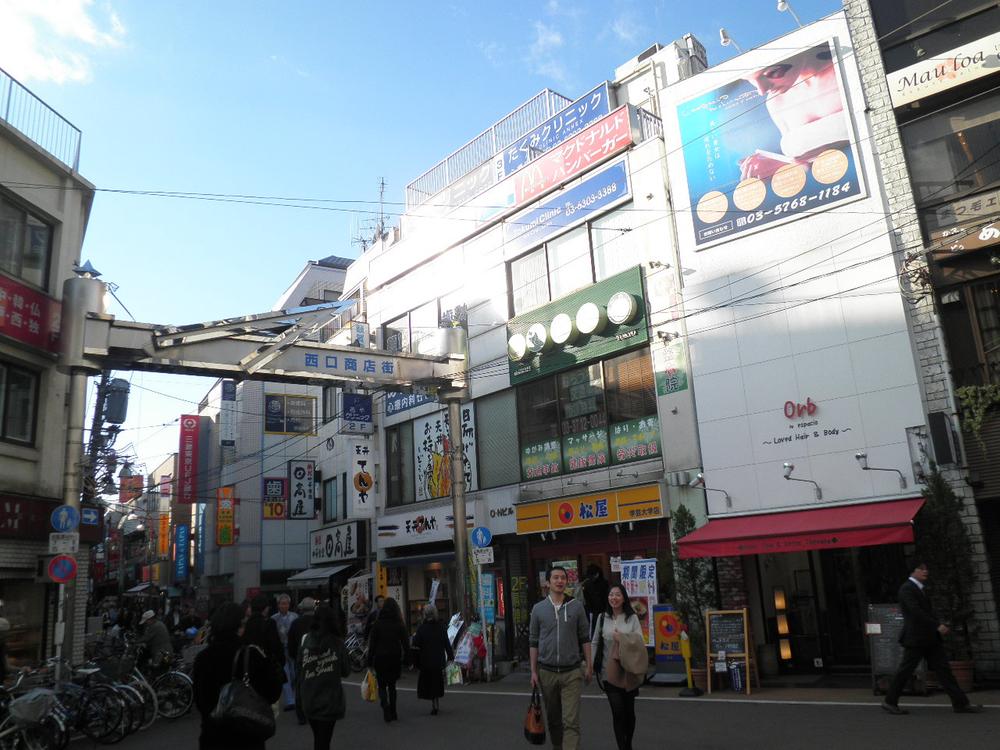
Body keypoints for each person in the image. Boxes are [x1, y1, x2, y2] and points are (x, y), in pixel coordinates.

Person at [882, 562, 983, 715]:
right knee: (906, 670)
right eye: (921, 569)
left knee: (944, 670)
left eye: (926, 569)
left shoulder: (920, 589)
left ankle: (960, 703)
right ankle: (890, 701)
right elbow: (915, 611)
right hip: (916, 638)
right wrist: (936, 625)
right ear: (912, 572)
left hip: (929, 638)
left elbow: (925, 611)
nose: (925, 571)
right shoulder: (907, 589)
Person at [738, 44, 849, 181]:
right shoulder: (776, 103)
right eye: (751, 81)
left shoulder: (845, 64)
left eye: (770, 73)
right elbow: (807, 164)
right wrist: (779, 168)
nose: (762, 90)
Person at [192, 602, 283, 750]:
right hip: (247, 736)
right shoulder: (251, 654)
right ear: (239, 626)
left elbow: (200, 700)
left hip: (213, 736)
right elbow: (272, 692)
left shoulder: (203, 658)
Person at [530, 566, 592, 750]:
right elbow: (533, 641)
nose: (559, 581)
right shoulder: (538, 609)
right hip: (546, 671)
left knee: (571, 721)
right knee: (554, 719)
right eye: (555, 578)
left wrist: (589, 664)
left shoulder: (576, 606)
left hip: (572, 671)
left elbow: (585, 638)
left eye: (563, 578)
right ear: (547, 582)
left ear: (567, 581)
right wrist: (533, 671)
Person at [592, 584, 644, 750]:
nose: (614, 598)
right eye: (611, 595)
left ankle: (628, 743)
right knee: (618, 711)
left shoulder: (632, 618)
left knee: (629, 713)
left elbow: (639, 642)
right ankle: (622, 747)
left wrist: (621, 637)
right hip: (609, 673)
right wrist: (591, 667)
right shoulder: (601, 618)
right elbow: (594, 642)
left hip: (629, 672)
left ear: (624, 598)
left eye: (617, 595)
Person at [297, 603, 350, 750]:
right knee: (324, 740)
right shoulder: (337, 643)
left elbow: (299, 668)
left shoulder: (306, 641)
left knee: (318, 739)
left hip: (309, 697)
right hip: (330, 700)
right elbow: (346, 671)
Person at [367, 597, 409, 722]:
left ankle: (385, 705)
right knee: (392, 685)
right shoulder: (398, 623)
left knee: (382, 685)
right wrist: (408, 659)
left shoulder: (378, 624)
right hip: (394, 657)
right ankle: (393, 711)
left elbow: (372, 645)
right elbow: (405, 643)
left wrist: (369, 661)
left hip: (380, 657)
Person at [411, 604, 453, 715]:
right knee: (437, 682)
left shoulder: (421, 628)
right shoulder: (441, 627)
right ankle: (436, 703)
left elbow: (415, 644)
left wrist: (414, 662)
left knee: (428, 682)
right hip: (438, 659)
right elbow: (447, 644)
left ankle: (434, 704)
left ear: (425, 614)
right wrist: (451, 657)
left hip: (425, 660)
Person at [288, 597, 317, 726]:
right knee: (317, 684)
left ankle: (301, 715)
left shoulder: (296, 623)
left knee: (300, 686)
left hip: (300, 659)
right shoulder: (319, 622)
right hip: (317, 658)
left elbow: (291, 644)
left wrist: (295, 656)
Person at [271, 593, 299, 711]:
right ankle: (290, 700)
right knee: (285, 674)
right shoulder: (273, 618)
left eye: (286, 603)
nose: (284, 606)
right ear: (278, 605)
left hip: (292, 649)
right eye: (282, 604)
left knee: (294, 674)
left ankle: (293, 696)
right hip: (280, 650)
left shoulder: (295, 617)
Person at [581, 565, 610, 638]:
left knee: (594, 632)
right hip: (603, 611)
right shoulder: (605, 583)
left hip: (593, 613)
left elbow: (586, 599)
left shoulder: (586, 584)